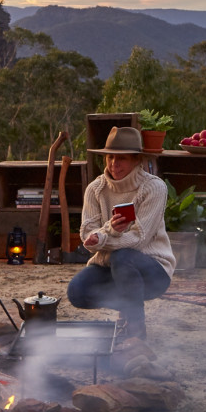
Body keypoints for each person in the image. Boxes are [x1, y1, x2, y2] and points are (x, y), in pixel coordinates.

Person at [66, 126, 175, 340]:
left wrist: (104, 237)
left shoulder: (154, 188)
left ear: (138, 160)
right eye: (110, 157)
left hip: (152, 269)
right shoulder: (95, 189)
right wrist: (108, 231)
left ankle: (135, 334)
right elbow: (88, 237)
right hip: (110, 266)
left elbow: (138, 239)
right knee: (76, 292)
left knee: (123, 257)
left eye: (122, 158)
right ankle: (128, 304)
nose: (114, 164)